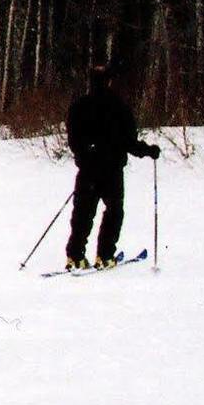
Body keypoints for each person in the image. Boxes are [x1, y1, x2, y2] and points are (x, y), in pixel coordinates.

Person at [65, 61, 160, 269]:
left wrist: (83, 154)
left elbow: (73, 139)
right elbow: (130, 141)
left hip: (88, 169)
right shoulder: (119, 107)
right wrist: (149, 151)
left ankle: (75, 256)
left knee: (82, 213)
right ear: (109, 81)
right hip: (111, 170)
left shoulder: (79, 107)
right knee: (114, 211)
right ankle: (105, 255)